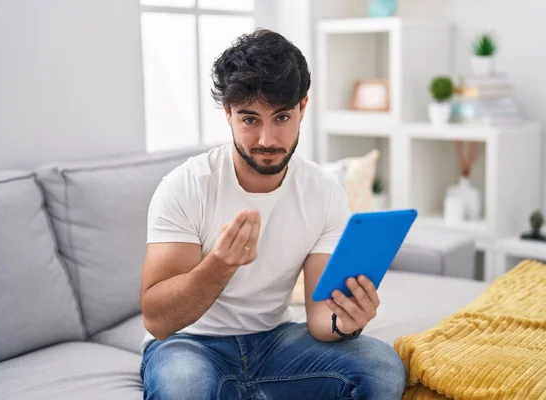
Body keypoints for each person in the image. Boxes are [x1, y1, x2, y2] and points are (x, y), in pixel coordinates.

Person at [139, 28, 406, 400]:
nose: (266, 139)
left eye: (281, 117)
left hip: (275, 342)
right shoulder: (186, 186)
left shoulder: (323, 192)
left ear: (302, 108)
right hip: (190, 343)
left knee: (381, 366)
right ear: (229, 114)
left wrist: (345, 323)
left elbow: (319, 319)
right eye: (250, 119)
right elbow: (159, 320)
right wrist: (219, 264)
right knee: (185, 389)